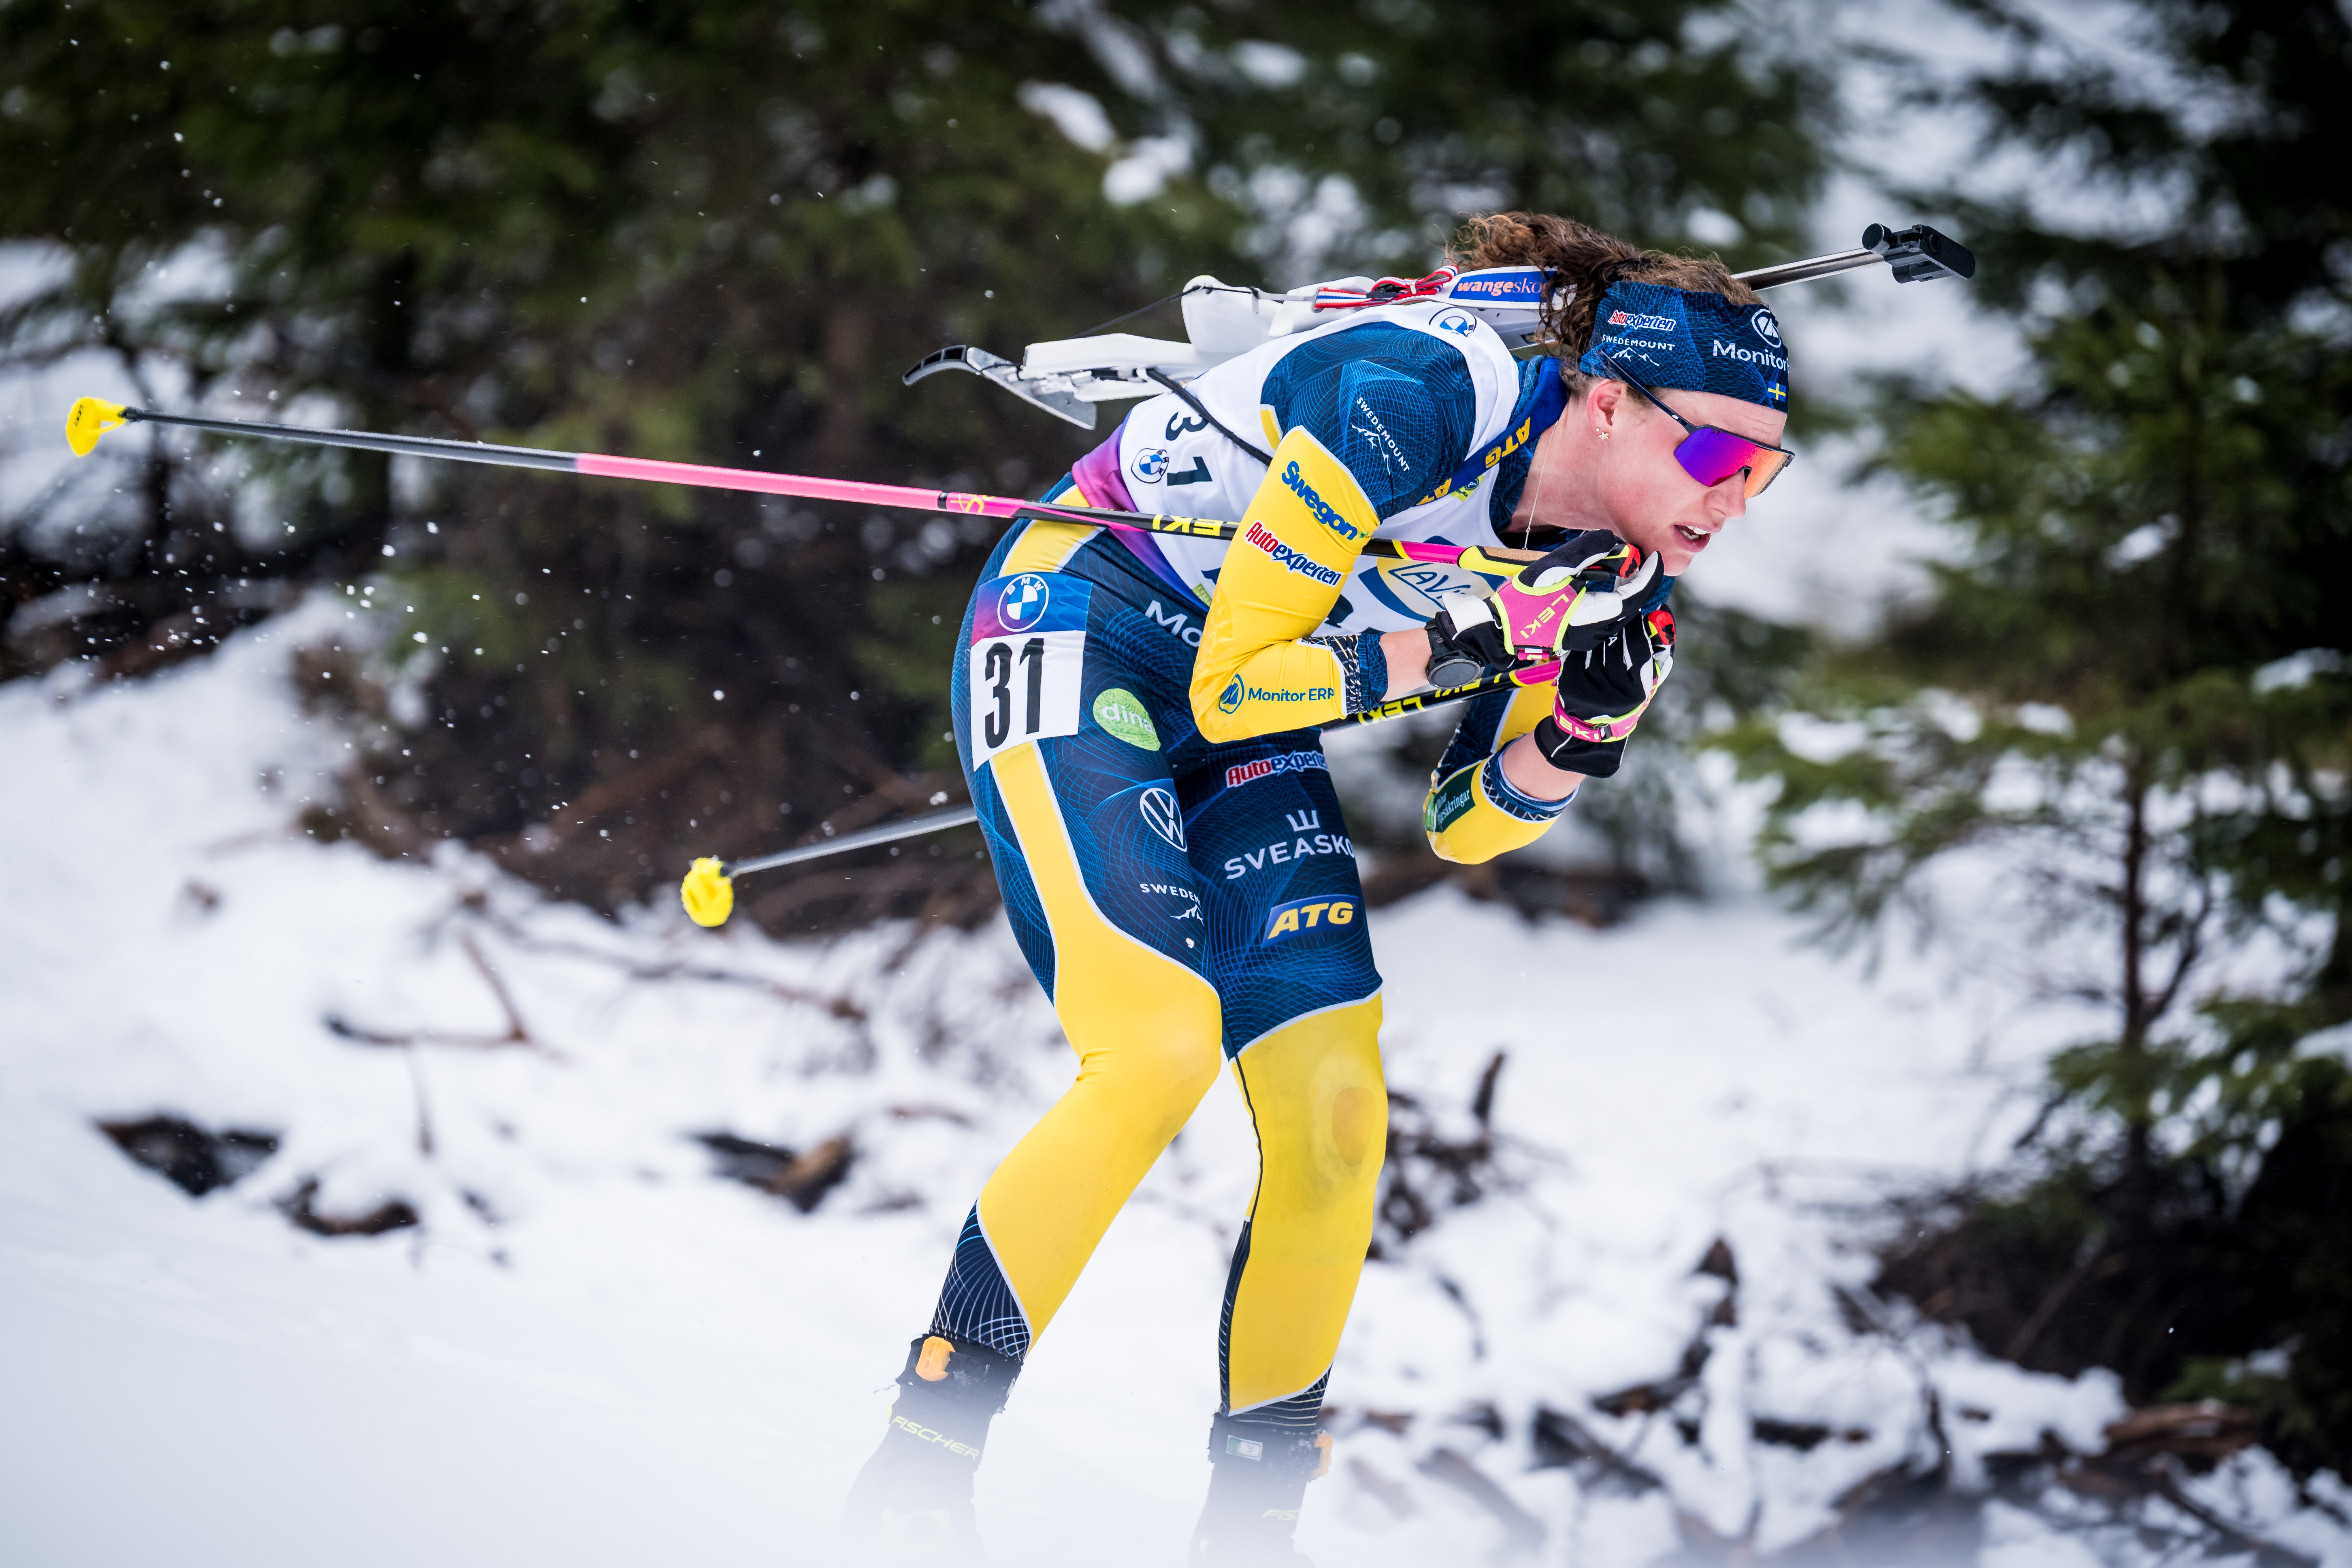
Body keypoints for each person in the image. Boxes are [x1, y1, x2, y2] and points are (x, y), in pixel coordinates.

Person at [844, 211, 1793, 1561]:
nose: (1733, 499)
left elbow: (1464, 827)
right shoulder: (1416, 396)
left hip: (1251, 710)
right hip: (1089, 619)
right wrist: (1459, 636)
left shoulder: (1620, 578)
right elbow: (1235, 685)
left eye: (1766, 472)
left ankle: (1254, 1529)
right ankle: (922, 1463)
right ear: (1604, 404)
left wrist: (1579, 734)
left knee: (1340, 1121)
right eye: (1714, 457)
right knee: (1158, 1051)